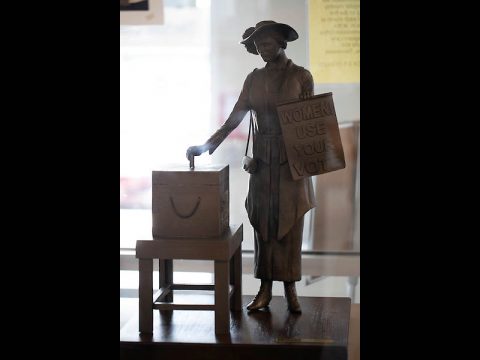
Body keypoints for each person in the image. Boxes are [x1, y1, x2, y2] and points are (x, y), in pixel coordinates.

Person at [186, 20, 315, 313]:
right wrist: (207, 146)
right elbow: (235, 118)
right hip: (261, 163)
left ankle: (291, 290)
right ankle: (265, 289)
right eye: (257, 47)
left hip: (291, 164)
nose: (262, 51)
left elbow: (311, 125)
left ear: (281, 43)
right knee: (263, 226)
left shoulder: (301, 76)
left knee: (290, 225)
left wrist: (319, 153)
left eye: (267, 45)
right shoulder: (253, 79)